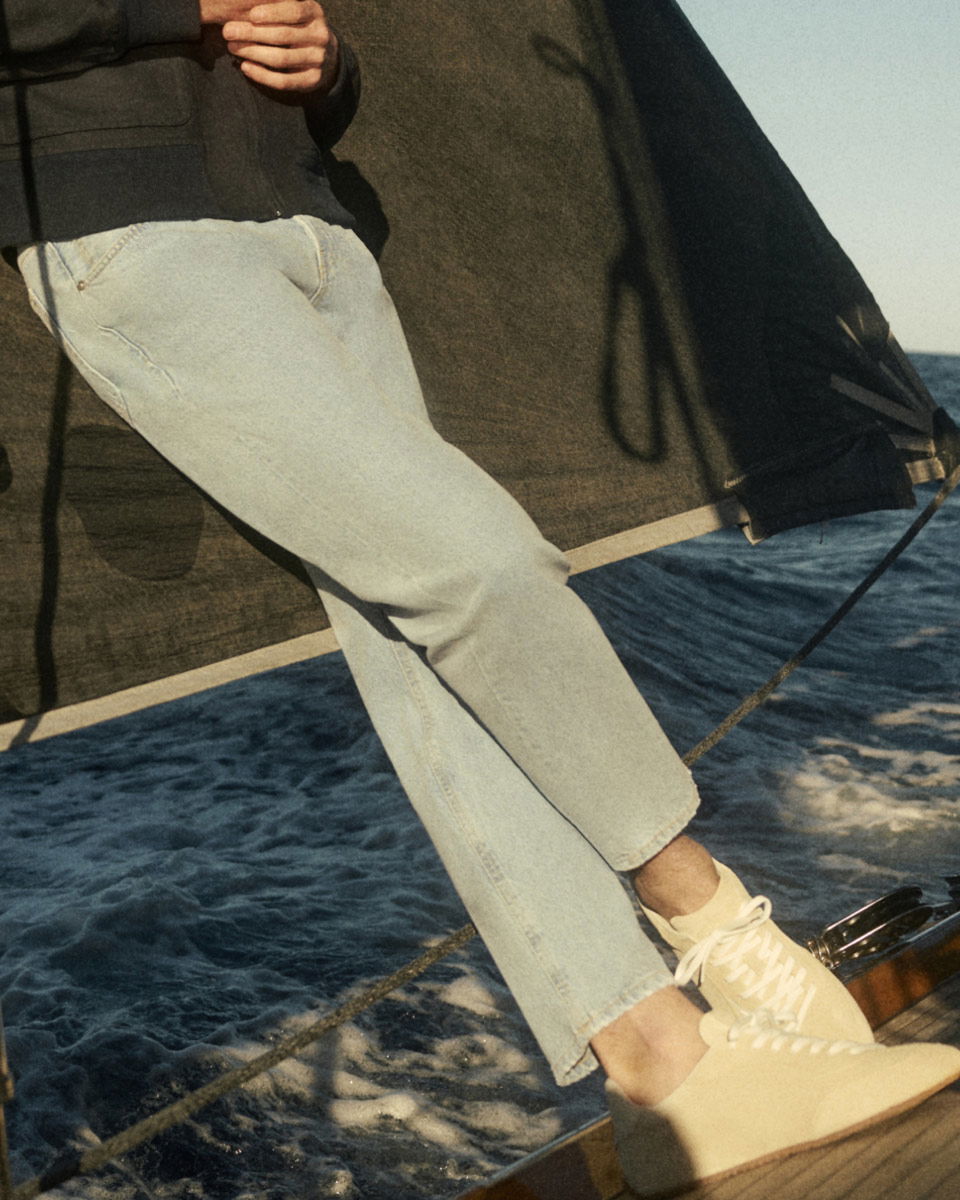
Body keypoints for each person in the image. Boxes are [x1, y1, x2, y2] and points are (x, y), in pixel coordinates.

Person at [3, 2, 958, 1192]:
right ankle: (709, 915)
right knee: (479, 567)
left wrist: (325, 60)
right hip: (130, 228)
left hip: (314, 222)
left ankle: (661, 1069)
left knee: (417, 636)